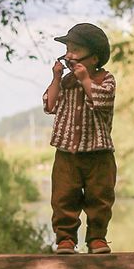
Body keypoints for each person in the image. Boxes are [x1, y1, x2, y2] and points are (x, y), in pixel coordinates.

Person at [42, 21, 116, 253]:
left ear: (94, 58)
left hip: (98, 152)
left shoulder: (106, 79)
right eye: (67, 50)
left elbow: (101, 101)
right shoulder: (66, 82)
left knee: (100, 197)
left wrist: (85, 80)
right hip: (67, 152)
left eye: (75, 50)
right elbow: (49, 104)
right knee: (63, 197)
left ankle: (96, 238)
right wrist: (56, 78)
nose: (69, 56)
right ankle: (65, 238)